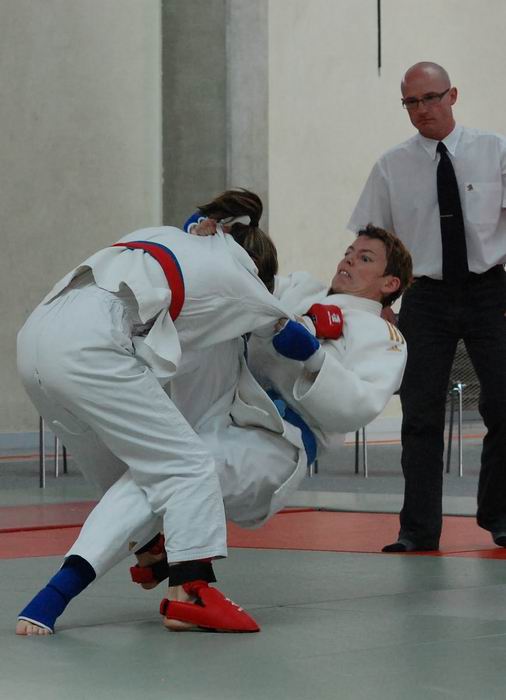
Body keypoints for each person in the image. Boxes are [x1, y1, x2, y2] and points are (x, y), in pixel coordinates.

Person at [16, 224, 412, 635]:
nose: (349, 259)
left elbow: (358, 407)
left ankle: (64, 588)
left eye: (365, 258)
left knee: (169, 473)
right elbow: (237, 280)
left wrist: (314, 357)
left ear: (390, 283)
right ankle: (164, 566)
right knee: (168, 463)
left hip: (277, 443)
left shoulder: (383, 336)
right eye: (349, 250)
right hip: (226, 411)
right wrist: (205, 234)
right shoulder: (301, 290)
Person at [16, 189, 290, 636]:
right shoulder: (242, 278)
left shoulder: (167, 236)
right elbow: (287, 333)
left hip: (35, 339)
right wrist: (317, 335)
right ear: (258, 267)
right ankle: (191, 592)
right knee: (188, 466)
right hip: (91, 345)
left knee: (132, 473)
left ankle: (126, 563)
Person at [348, 61, 506, 552]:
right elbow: (371, 242)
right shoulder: (391, 166)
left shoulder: (494, 150)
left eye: (430, 98)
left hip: (490, 291)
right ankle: (418, 530)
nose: (421, 110)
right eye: (411, 102)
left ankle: (500, 515)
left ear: (452, 96)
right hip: (425, 296)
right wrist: (377, 304)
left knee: (504, 404)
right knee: (419, 414)